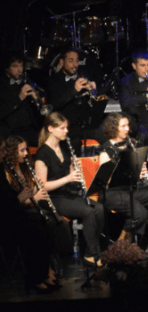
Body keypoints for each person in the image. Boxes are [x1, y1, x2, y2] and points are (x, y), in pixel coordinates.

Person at [35, 112, 105, 266]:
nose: (66, 131)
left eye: (66, 128)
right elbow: (43, 186)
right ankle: (95, 255)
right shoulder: (42, 154)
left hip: (67, 194)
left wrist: (74, 170)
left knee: (99, 208)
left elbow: (69, 173)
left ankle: (88, 253)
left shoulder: (64, 148)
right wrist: (68, 178)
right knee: (88, 212)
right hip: (52, 198)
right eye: (62, 128)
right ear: (50, 129)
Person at [97, 113, 148, 251]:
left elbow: (135, 171)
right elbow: (106, 182)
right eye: (123, 126)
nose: (127, 129)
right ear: (113, 128)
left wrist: (140, 171)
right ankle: (118, 246)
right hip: (112, 192)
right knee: (139, 213)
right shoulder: (105, 152)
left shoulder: (131, 145)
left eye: (128, 125)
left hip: (131, 189)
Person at [1, 136, 61, 293]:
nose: (26, 153)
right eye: (22, 150)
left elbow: (14, 198)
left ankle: (45, 269)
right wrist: (27, 198)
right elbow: (7, 203)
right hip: (9, 217)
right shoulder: (5, 171)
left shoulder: (20, 167)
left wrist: (34, 192)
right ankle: (36, 277)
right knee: (37, 227)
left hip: (17, 211)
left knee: (49, 222)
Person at [0, 56, 43, 146]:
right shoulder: (2, 86)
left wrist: (36, 100)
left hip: (29, 129)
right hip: (11, 131)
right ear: (7, 69)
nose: (19, 70)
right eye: (15, 66)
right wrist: (19, 98)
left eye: (21, 66)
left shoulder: (25, 83)